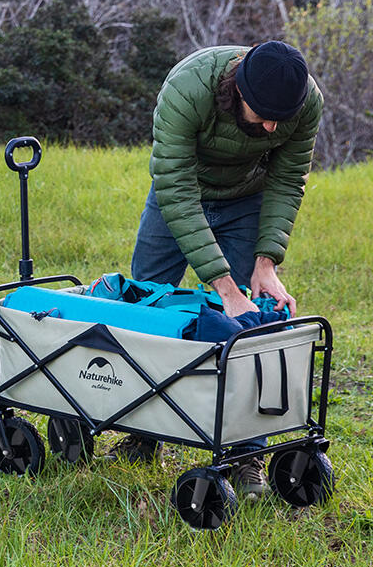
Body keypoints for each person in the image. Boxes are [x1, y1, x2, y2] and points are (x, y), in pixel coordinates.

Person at [116, 41, 323, 497]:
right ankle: (144, 431)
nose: (272, 126)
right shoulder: (188, 88)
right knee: (150, 305)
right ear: (237, 91)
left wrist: (266, 261)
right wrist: (224, 284)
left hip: (247, 197)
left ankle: (247, 454)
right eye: (264, 114)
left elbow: (288, 179)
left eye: (280, 118)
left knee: (250, 326)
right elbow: (175, 187)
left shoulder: (305, 102)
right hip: (179, 196)